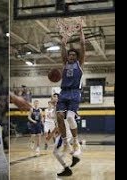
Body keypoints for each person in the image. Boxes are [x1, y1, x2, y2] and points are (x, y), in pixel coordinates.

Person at [56, 23, 85, 156]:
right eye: (70, 55)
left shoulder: (80, 64)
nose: (71, 56)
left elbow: (83, 46)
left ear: (76, 57)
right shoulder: (65, 63)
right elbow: (63, 47)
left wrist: (81, 31)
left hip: (74, 93)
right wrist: (64, 36)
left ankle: (76, 143)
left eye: (74, 55)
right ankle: (65, 142)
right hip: (63, 93)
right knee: (59, 116)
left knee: (70, 118)